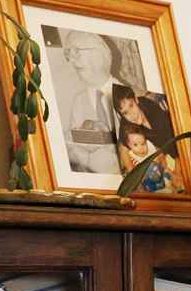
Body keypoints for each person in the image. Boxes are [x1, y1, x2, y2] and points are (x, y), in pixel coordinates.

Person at [55, 30, 125, 175]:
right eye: (69, 54)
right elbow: (71, 146)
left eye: (77, 52)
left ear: (98, 55)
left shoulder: (129, 95)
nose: (72, 61)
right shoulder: (79, 101)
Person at [112, 80, 176, 150]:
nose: (132, 114)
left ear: (136, 100)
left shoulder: (155, 104)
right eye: (125, 113)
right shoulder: (126, 126)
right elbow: (122, 146)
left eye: (131, 106)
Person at [117, 123, 178, 193]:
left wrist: (165, 168)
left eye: (143, 144)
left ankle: (171, 186)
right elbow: (133, 172)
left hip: (159, 171)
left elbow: (162, 158)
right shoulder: (131, 156)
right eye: (135, 145)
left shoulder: (151, 146)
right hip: (146, 179)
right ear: (128, 145)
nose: (141, 148)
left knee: (168, 173)